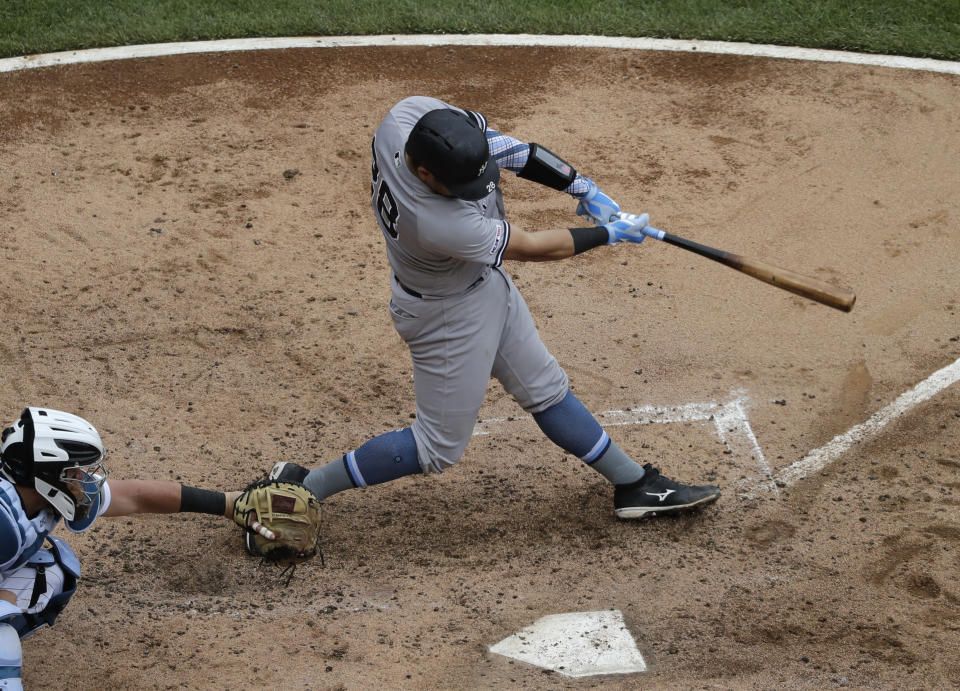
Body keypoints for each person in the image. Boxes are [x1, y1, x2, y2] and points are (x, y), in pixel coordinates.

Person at [267, 95, 719, 528]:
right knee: (435, 448)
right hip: (448, 316)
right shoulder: (436, 221)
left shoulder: (408, 117)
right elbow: (534, 247)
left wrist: (581, 186)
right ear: (424, 173)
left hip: (481, 289)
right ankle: (302, 489)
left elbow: (501, 147)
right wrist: (611, 234)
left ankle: (634, 485)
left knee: (545, 388)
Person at [0, 407, 248, 690]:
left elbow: (135, 496)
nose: (83, 478)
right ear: (46, 473)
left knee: (54, 572)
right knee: (3, 641)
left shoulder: (41, 492)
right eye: (74, 471)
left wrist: (227, 504)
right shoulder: (4, 523)